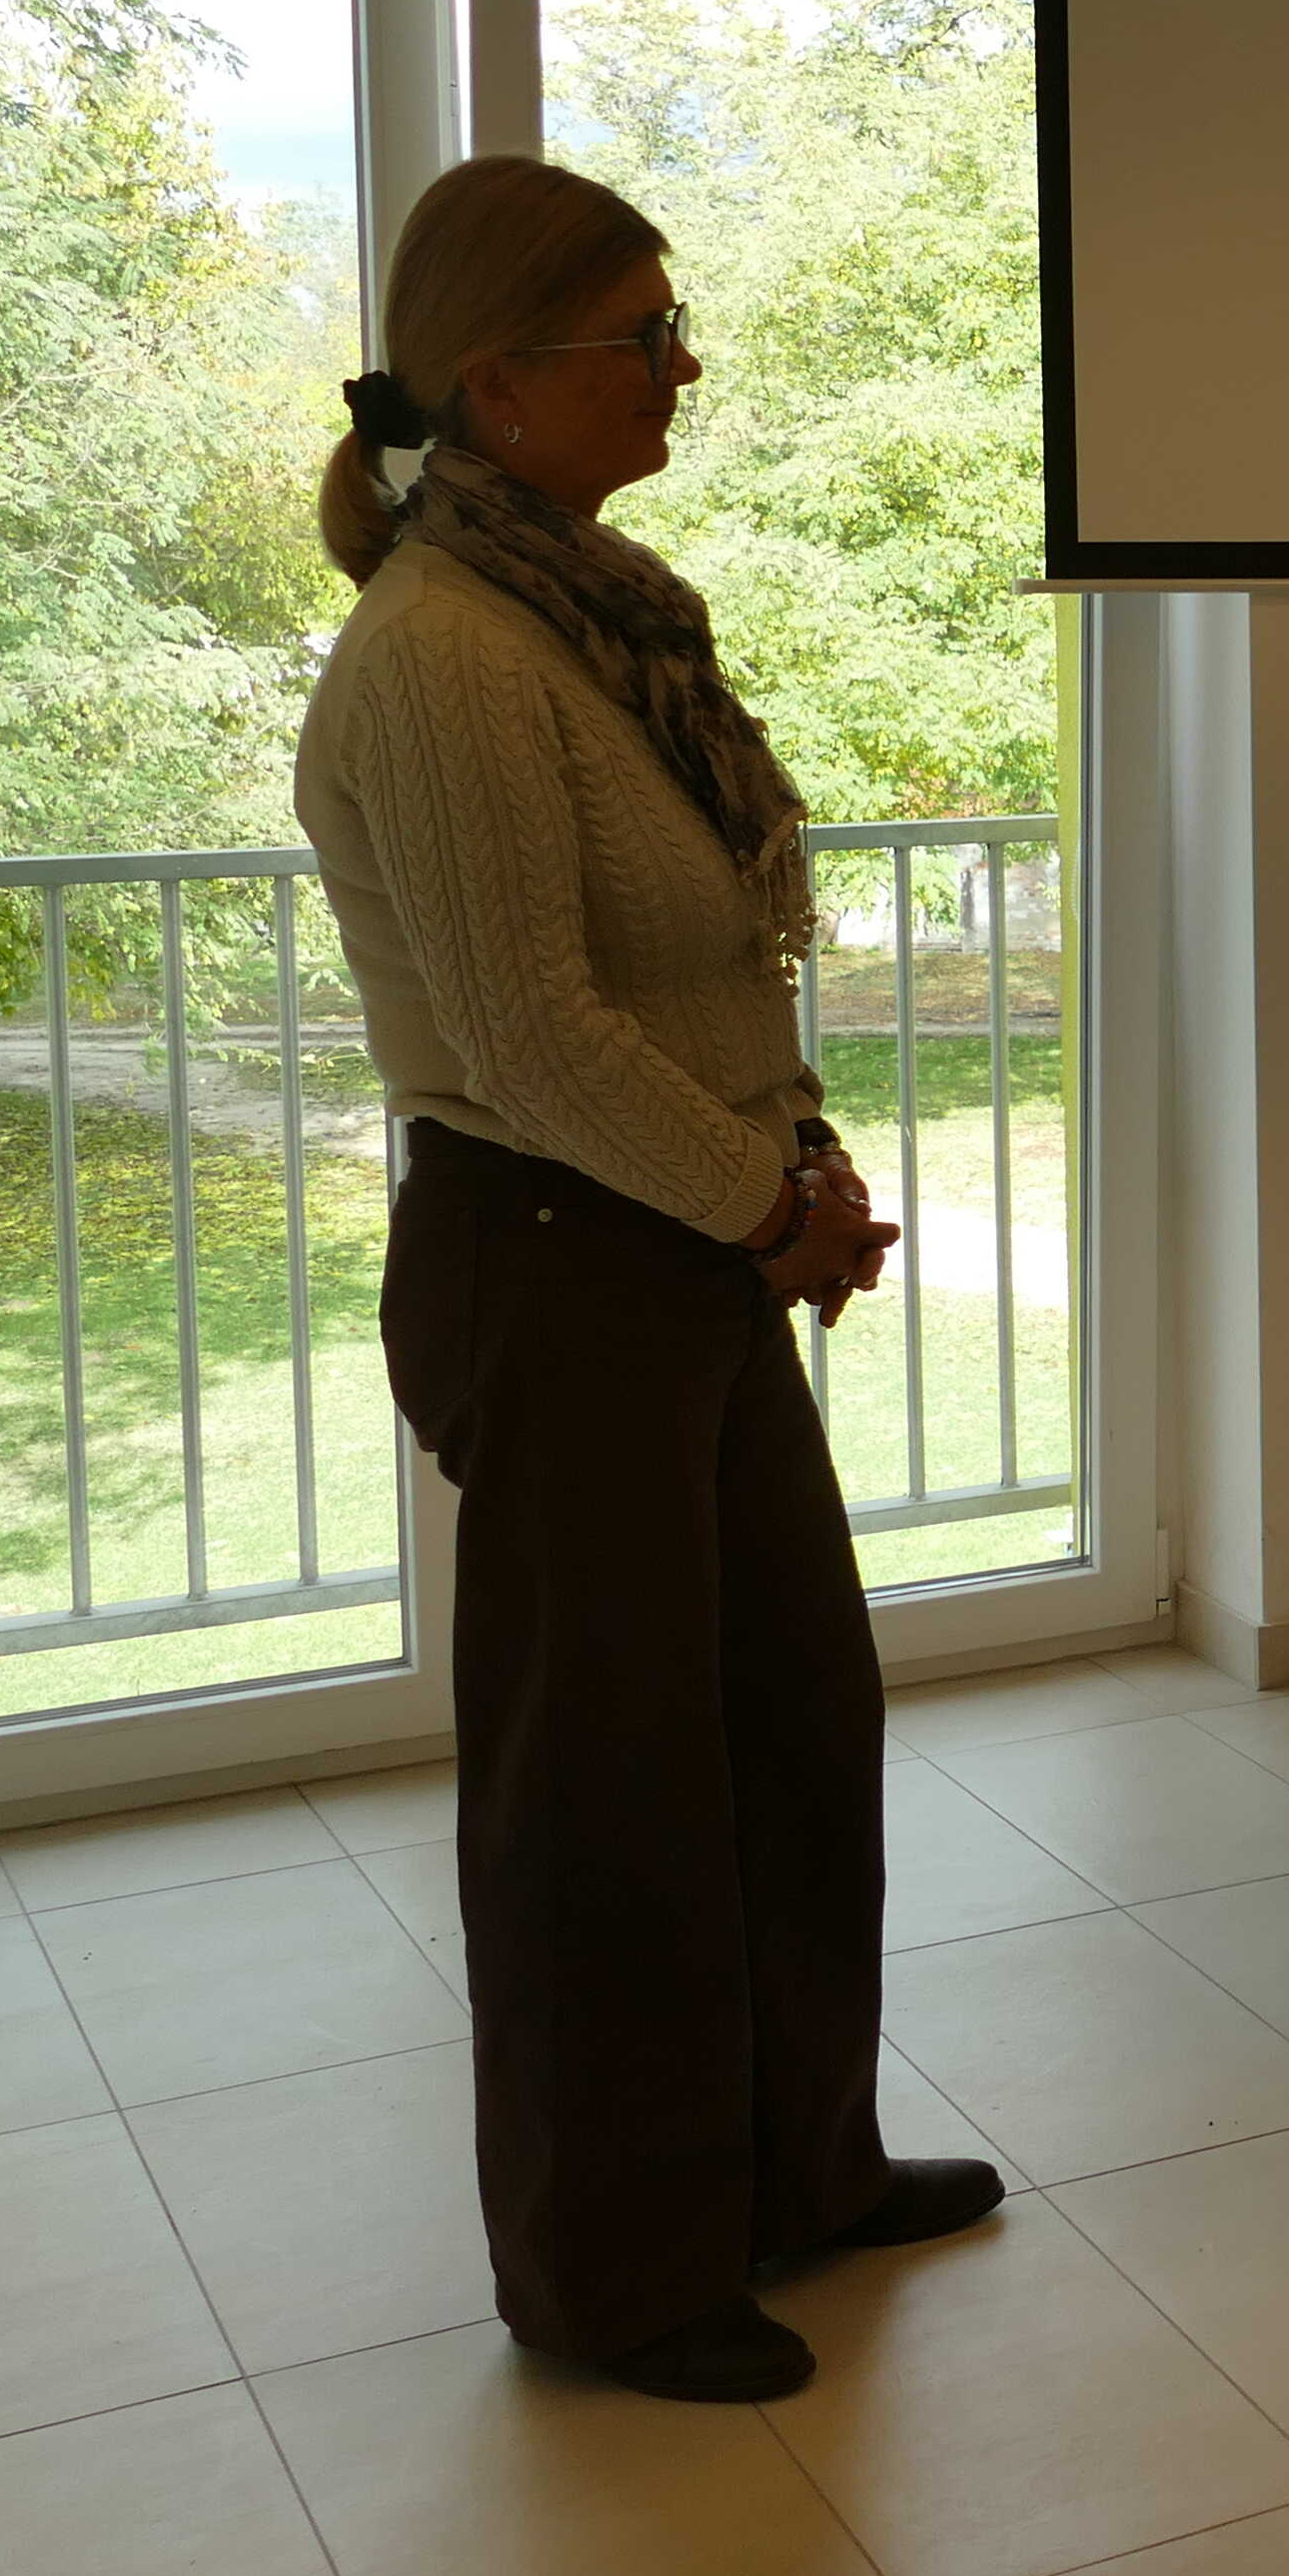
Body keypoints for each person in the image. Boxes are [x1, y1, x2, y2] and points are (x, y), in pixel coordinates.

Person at [296, 154, 989, 2407]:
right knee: (604, 1793)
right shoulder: (443, 655)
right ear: (497, 382)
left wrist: (794, 1155)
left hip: (672, 1242)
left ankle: (796, 2169)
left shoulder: (590, 619)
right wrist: (762, 1206)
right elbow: (528, 1037)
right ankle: (617, 2270)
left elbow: (689, 977)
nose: (682, 367)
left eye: (674, 326)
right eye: (641, 335)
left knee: (786, 1726)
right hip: (554, 1257)